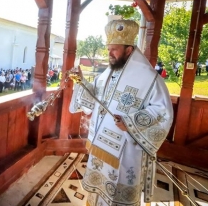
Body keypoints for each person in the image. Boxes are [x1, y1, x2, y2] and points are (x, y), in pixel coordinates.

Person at [69, 20, 173, 206]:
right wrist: (81, 81)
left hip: (126, 148)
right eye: (108, 48)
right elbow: (94, 95)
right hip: (100, 144)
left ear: (129, 50)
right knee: (99, 191)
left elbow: (162, 111)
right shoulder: (108, 72)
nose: (109, 53)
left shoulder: (149, 78)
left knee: (119, 193)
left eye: (114, 49)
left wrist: (131, 123)